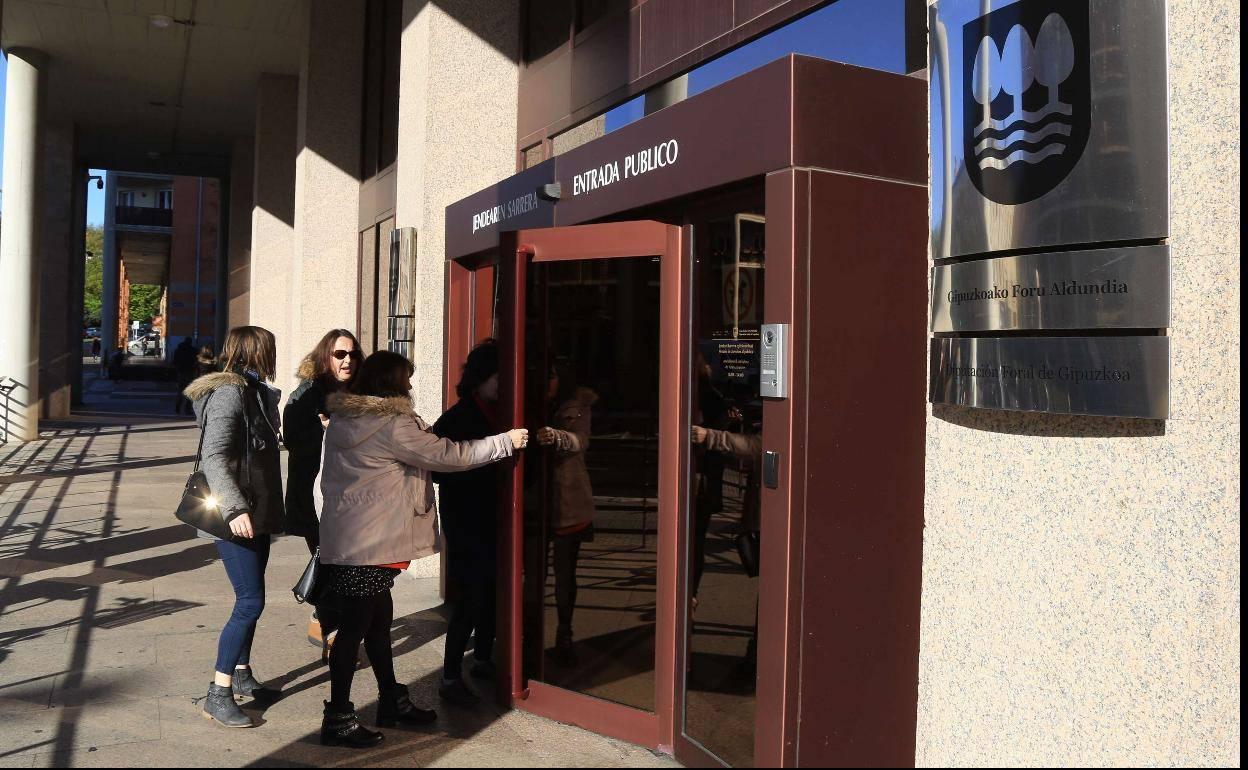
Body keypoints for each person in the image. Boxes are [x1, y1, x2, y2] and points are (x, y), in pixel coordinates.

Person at [317, 351, 527, 748]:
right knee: (355, 631)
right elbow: (448, 456)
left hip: (352, 538)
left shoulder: (344, 420)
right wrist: (504, 442)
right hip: (371, 542)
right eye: (406, 379)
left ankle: (391, 699)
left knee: (377, 624)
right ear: (391, 383)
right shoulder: (391, 424)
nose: (411, 386)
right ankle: (339, 718)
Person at [183, 326, 286, 728]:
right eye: (270, 349)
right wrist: (234, 509)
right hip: (237, 516)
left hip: (256, 513)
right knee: (249, 602)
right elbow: (213, 455)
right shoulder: (230, 392)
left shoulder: (254, 391)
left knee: (252, 597)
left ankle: (241, 672)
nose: (273, 355)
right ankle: (218, 693)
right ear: (257, 352)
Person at [430, 340, 502, 706]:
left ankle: (484, 659)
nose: (504, 384)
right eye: (497, 377)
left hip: (493, 520)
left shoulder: (503, 412)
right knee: (470, 599)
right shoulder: (457, 418)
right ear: (480, 378)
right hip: (467, 523)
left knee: (492, 595)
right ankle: (450, 675)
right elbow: (437, 469)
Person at [283, 329, 361, 663]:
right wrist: (330, 432)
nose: (348, 361)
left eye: (353, 354)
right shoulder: (306, 395)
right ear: (325, 357)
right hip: (317, 500)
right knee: (330, 565)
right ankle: (333, 636)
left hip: (355, 499)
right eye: (340, 354)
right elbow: (295, 445)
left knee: (348, 569)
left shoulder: (360, 392)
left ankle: (324, 622)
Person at [535, 363, 597, 665]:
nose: (547, 381)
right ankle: (529, 636)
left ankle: (564, 633)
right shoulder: (527, 402)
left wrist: (557, 437)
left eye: (552, 375)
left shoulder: (577, 404)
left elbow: (580, 440)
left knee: (564, 573)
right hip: (534, 502)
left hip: (568, 501)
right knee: (534, 575)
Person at [173, 338, 198, 415]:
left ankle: (178, 406)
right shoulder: (193, 351)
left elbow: (175, 361)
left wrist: (177, 369)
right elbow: (196, 361)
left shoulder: (178, 350)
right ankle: (187, 409)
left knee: (180, 390)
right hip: (190, 372)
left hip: (181, 372)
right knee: (189, 391)